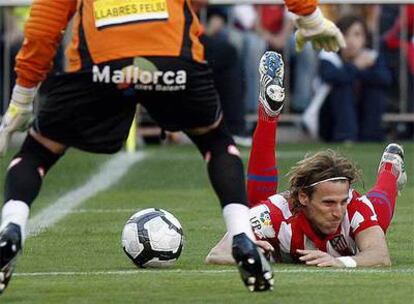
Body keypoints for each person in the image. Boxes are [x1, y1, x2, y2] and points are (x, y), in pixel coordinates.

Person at [0, 0, 345, 294]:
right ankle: (242, 236)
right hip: (173, 63)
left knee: (37, 152)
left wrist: (22, 99)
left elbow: (44, 27)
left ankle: (12, 227)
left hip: (99, 68)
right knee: (216, 142)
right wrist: (310, 16)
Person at [206, 51, 407, 267]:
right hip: (274, 216)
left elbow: (380, 256)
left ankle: (390, 169)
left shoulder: (354, 207)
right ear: (303, 197)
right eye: (329, 203)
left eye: (343, 201)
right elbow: (215, 254)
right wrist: (246, 254)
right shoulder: (273, 213)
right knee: (256, 206)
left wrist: (340, 262)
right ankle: (268, 114)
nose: (338, 211)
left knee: (376, 212)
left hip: (353, 226)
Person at [318, 16, 392, 142]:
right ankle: (346, 137)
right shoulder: (329, 56)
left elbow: (386, 79)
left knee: (374, 90)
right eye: (345, 35)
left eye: (357, 35)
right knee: (342, 86)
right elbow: (331, 77)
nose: (351, 41)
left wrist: (360, 71)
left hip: (362, 118)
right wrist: (356, 66)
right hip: (330, 122)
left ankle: (371, 137)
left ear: (365, 38)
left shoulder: (370, 57)